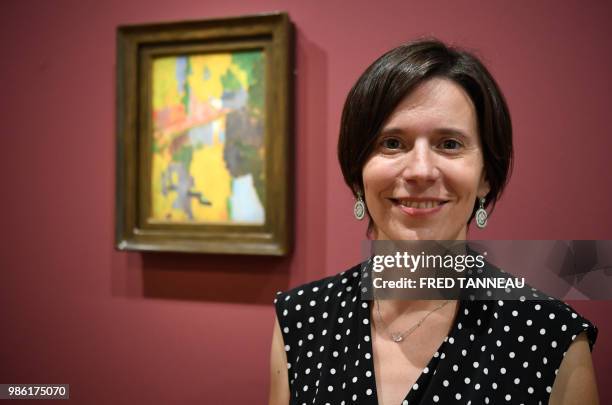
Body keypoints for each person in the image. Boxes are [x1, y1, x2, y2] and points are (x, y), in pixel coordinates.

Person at [268, 39, 598, 405]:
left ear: (486, 175)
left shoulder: (551, 336)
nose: (421, 170)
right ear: (358, 168)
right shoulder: (302, 319)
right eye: (392, 143)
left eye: (449, 144)